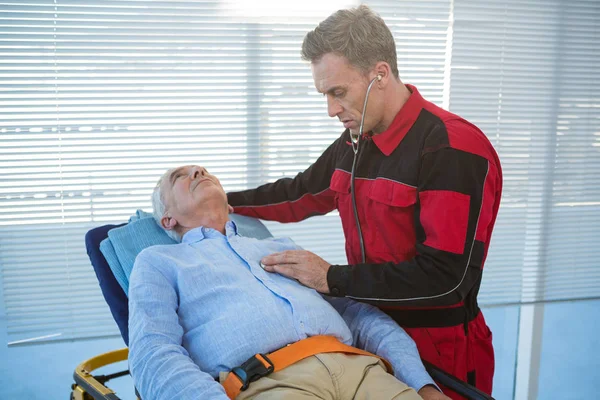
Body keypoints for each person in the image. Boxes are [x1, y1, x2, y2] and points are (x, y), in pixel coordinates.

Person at [226, 5, 502, 398]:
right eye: (326, 95)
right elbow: (300, 193)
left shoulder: (452, 149)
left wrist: (331, 278)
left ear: (380, 74)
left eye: (339, 93)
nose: (331, 110)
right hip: (373, 334)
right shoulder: (355, 143)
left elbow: (446, 280)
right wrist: (225, 202)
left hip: (442, 350)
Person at [128, 165, 452, 400]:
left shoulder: (282, 247)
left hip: (362, 371)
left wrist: (422, 385)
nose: (198, 171)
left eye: (202, 170)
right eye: (180, 177)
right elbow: (153, 352)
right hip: (271, 385)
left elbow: (360, 316)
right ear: (167, 219)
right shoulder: (159, 262)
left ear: (229, 206)